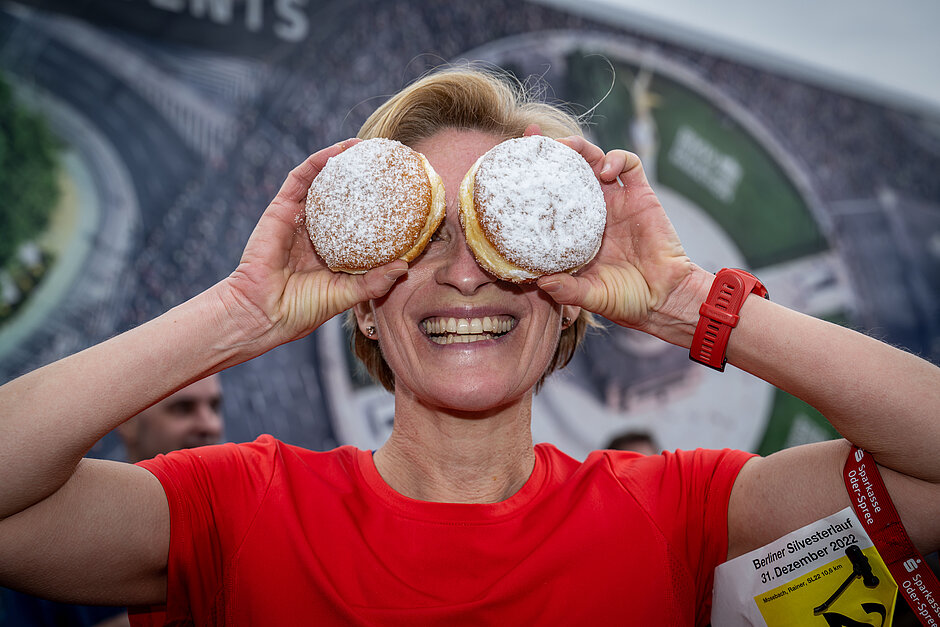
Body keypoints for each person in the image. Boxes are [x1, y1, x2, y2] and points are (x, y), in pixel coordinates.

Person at [0, 66, 937, 625]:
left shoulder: (686, 514)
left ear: (570, 299)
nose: (464, 274)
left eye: (506, 234)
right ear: (362, 300)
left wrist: (689, 304)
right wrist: (239, 315)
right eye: (423, 236)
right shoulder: (239, 505)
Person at [0, 376, 224, 627]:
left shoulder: (245, 519)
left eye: (215, 406)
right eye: (183, 408)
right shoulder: (47, 538)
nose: (210, 425)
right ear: (128, 422)